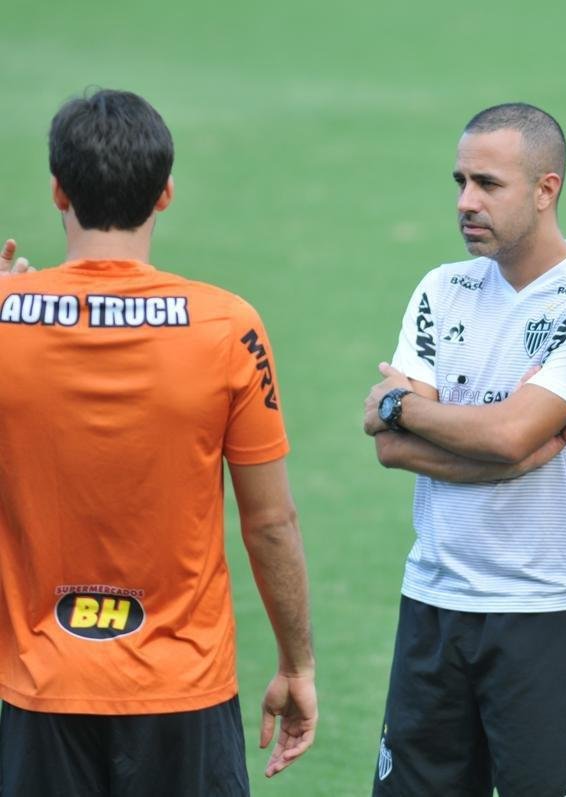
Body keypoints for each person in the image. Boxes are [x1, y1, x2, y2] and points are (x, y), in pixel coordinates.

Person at [0, 89, 317, 795]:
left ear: (57, 189)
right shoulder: (228, 326)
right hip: (184, 689)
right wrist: (298, 666)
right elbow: (270, 522)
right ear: (165, 193)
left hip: (42, 686)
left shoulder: (3, 321)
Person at [361, 103, 566, 796]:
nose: (465, 202)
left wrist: (414, 411)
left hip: (546, 616)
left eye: (487, 183)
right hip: (432, 604)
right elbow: (393, 445)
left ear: (547, 189)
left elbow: (513, 432)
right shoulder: (440, 288)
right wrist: (426, 422)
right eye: (459, 181)